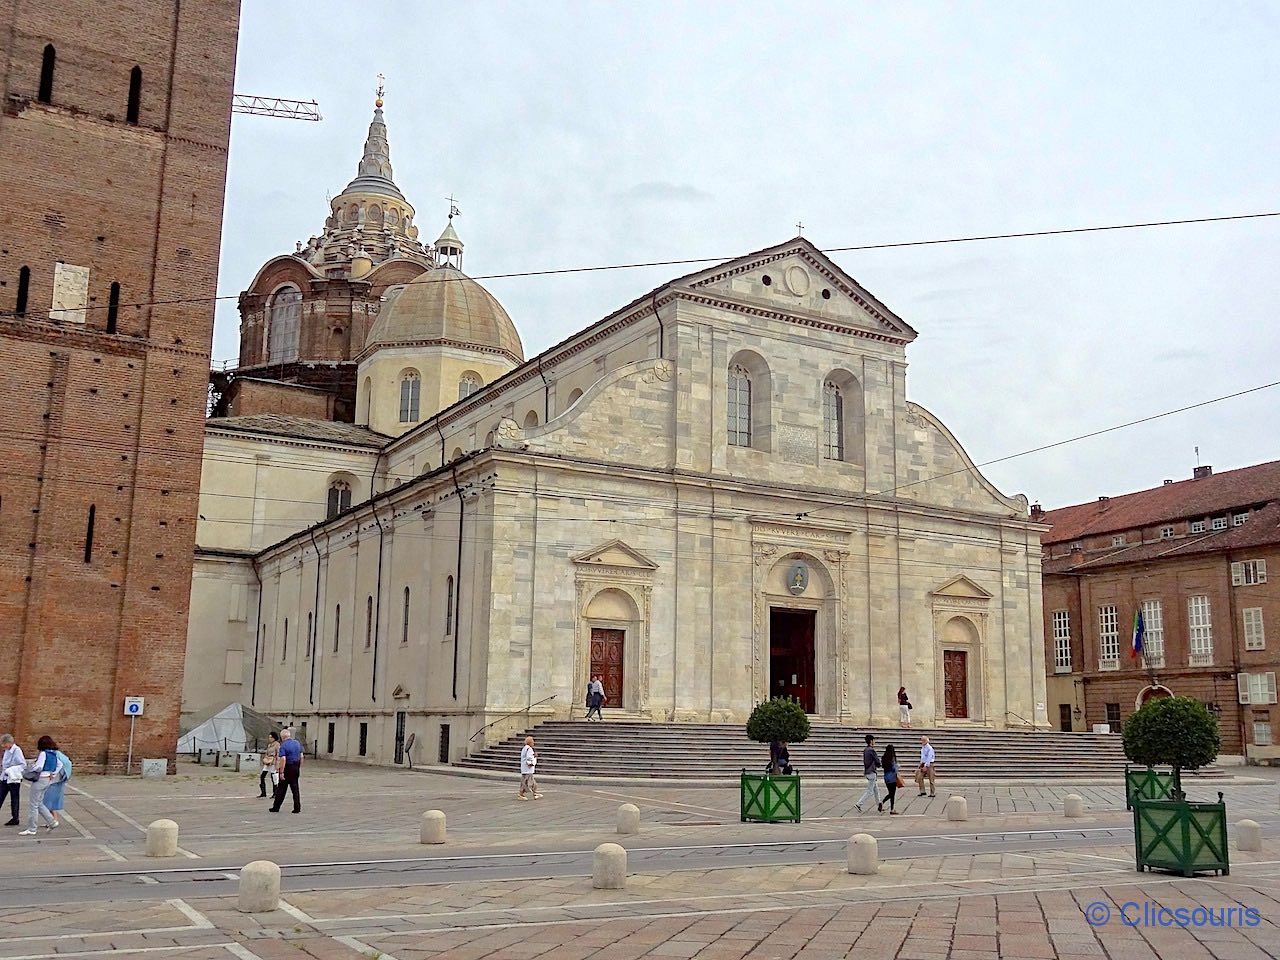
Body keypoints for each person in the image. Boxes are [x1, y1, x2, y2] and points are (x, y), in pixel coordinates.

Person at [19, 736, 63, 836]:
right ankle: (52, 821)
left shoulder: (43, 753)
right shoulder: (53, 754)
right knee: (39, 803)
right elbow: (59, 765)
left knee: (33, 804)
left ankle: (32, 828)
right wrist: (54, 773)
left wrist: (31, 768)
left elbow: (39, 767)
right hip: (47, 779)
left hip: (40, 779)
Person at [269, 728, 303, 813]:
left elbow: (283, 759)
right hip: (296, 766)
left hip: (288, 767)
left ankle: (276, 807)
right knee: (295, 788)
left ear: (282, 737)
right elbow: (301, 756)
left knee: (281, 788)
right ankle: (297, 807)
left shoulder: (283, 745)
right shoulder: (297, 743)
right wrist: (299, 766)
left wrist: (281, 772)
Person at [43, 747, 72, 828]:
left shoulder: (52, 754)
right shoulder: (57, 754)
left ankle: (54, 820)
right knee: (50, 801)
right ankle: (52, 820)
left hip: (55, 780)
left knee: (49, 800)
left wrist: (53, 774)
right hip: (59, 779)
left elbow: (58, 765)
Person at [1, 734, 24, 826]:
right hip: (5, 777)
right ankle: (15, 818)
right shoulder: (8, 750)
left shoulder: (17, 750)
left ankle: (15, 818)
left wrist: (10, 769)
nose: (3, 746)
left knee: (14, 799)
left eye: (4, 744)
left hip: (13, 778)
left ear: (9, 743)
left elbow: (22, 765)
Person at [854, 734, 880, 813]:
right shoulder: (871, 750)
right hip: (871, 771)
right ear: (871, 741)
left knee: (876, 790)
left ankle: (879, 805)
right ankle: (859, 803)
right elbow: (877, 761)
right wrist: (879, 764)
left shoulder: (865, 750)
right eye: (874, 740)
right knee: (870, 791)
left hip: (868, 771)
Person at [878, 744, 901, 814]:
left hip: (886, 777)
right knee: (892, 794)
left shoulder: (884, 758)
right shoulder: (892, 758)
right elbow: (894, 768)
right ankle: (892, 809)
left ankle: (882, 803)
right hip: (892, 777)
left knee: (890, 793)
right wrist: (898, 766)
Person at [518, 735, 541, 800]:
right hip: (527, 769)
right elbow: (529, 757)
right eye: (532, 741)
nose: (533, 742)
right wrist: (534, 757)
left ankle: (535, 793)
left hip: (525, 769)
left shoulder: (525, 748)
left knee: (531, 782)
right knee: (525, 782)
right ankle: (521, 794)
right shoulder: (529, 749)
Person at [259, 732, 281, 798]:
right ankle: (263, 792)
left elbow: (278, 754)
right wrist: (265, 759)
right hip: (268, 761)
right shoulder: (269, 745)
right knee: (262, 776)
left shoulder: (277, 745)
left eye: (271, 737)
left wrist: (277, 764)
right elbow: (267, 753)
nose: (269, 738)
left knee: (273, 777)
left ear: (274, 738)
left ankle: (275, 793)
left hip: (273, 762)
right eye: (269, 737)